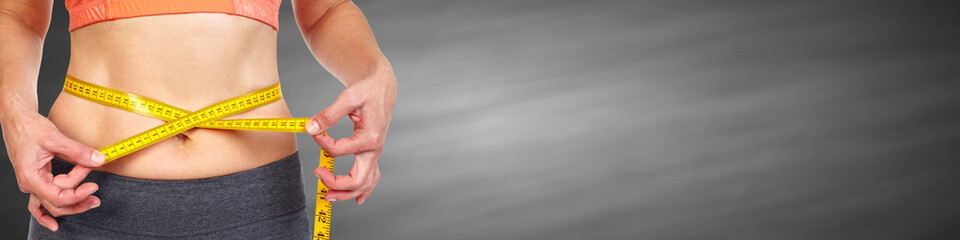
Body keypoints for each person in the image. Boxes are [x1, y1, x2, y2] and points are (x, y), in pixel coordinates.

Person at [0, 0, 396, 238]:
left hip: (256, 201)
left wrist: (374, 72)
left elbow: (325, 8)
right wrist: (14, 111)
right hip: (86, 197)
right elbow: (18, 13)